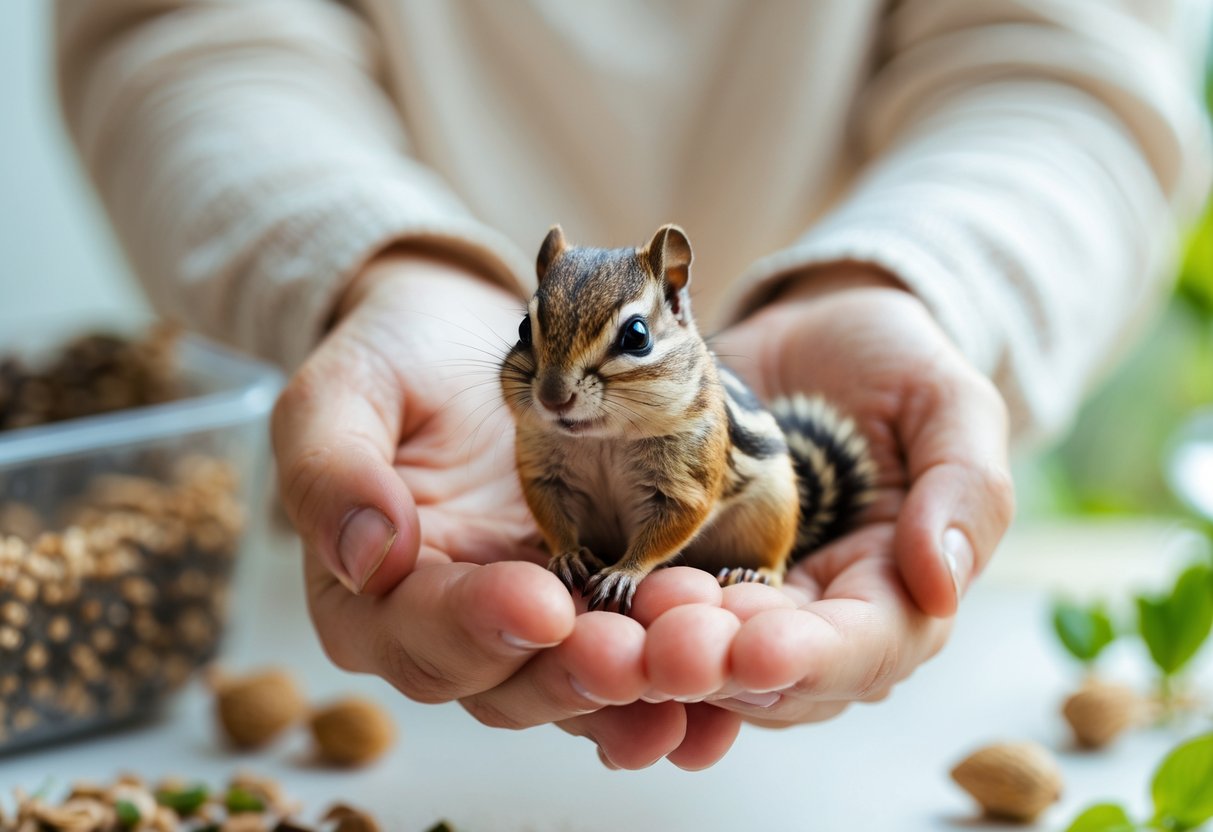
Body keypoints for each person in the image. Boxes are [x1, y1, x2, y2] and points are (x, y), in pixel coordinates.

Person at [56, 0, 1210, 770]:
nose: (560, 393)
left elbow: (1067, 57)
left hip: (829, 724)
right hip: (332, 612)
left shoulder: (695, 412)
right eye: (538, 356)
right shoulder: (536, 401)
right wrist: (375, 265)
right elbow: (189, 25)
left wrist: (914, 281)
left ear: (678, 304)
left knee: (733, 502)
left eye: (613, 356)